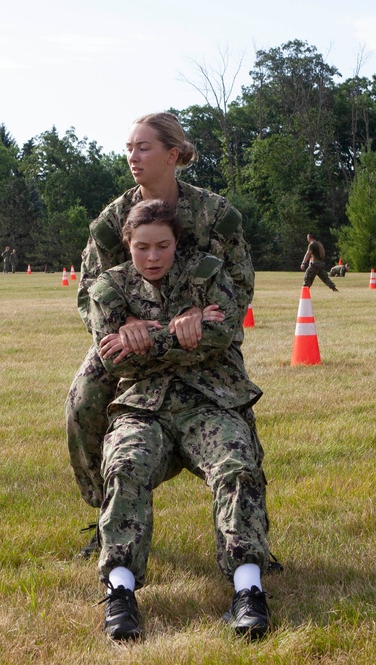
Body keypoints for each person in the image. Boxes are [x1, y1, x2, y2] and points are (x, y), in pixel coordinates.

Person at [67, 112, 255, 555]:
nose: (133, 156)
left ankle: (247, 529)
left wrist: (199, 317)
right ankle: (106, 515)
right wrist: (123, 326)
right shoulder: (115, 219)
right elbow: (88, 290)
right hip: (129, 339)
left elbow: (240, 284)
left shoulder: (215, 214)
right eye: (129, 147)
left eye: (143, 147)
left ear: (173, 155)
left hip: (201, 339)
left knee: (235, 412)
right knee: (81, 402)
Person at [90, 200, 271, 641]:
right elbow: (113, 360)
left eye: (163, 246)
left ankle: (249, 591)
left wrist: (143, 337)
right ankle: (120, 595)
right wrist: (177, 330)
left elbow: (219, 334)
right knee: (124, 467)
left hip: (207, 401)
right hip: (141, 407)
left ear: (177, 241)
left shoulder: (207, 273)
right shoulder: (108, 287)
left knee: (237, 466)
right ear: (127, 245)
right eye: (142, 248)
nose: (153, 257)